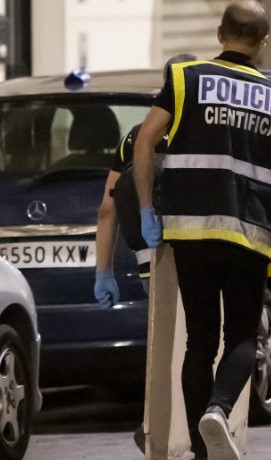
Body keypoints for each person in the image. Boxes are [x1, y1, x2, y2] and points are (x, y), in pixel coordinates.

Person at [132, 2, 271, 458]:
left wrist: (148, 208)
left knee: (199, 340)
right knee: (243, 335)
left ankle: (202, 451)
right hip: (250, 231)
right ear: (263, 42)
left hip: (191, 229)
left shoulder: (186, 78)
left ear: (220, 31)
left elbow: (145, 141)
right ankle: (219, 411)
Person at [93, 54, 196, 309]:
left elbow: (108, 208)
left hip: (152, 262)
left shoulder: (136, 137)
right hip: (201, 259)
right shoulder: (208, 133)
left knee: (163, 341)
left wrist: (104, 273)